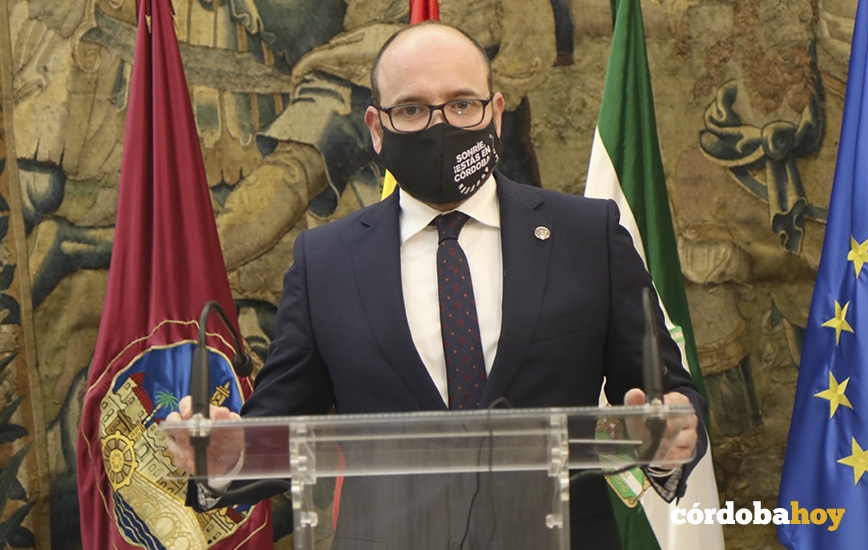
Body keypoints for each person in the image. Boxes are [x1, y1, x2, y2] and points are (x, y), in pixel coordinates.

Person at [169, 21, 707, 549]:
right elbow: (277, 434)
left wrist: (670, 437)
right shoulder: (325, 262)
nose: (440, 126)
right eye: (412, 110)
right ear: (377, 128)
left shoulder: (587, 236)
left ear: (495, 115)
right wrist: (228, 457)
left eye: (462, 104)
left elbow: (670, 396)